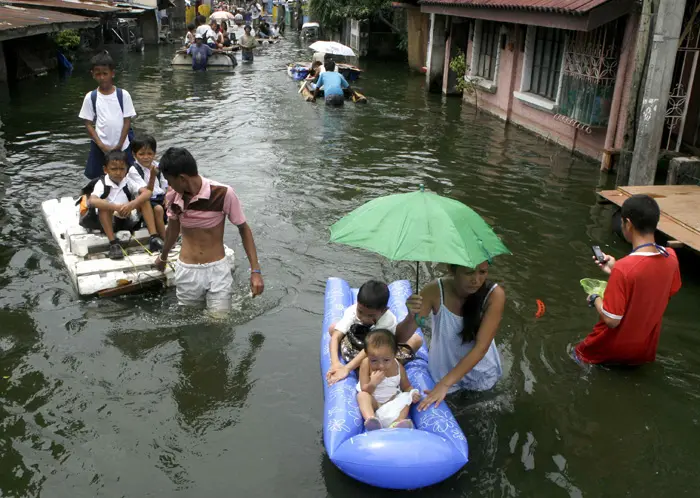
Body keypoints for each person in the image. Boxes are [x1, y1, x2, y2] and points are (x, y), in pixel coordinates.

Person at [574, 195, 682, 365]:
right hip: (643, 351)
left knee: (574, 359)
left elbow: (612, 321)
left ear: (628, 224)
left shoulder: (624, 269)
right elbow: (658, 288)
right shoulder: (671, 258)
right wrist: (615, 269)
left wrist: (595, 298)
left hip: (606, 350)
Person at [154, 147, 264, 311]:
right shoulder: (173, 196)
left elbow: (244, 229)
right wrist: (163, 258)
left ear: (182, 178)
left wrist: (255, 271)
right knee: (190, 320)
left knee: (219, 323)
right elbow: (173, 230)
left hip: (217, 271)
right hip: (187, 271)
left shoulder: (223, 193)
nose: (168, 185)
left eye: (170, 181)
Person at [397, 262, 505, 410]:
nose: (476, 280)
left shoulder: (494, 295)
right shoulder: (434, 291)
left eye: (482, 272)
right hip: (443, 369)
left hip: (480, 373)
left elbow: (481, 347)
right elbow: (400, 339)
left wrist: (445, 384)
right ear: (451, 269)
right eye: (469, 272)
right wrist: (410, 317)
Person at [326, 280, 423, 385]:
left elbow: (370, 349)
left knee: (416, 340)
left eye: (370, 316)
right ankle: (360, 368)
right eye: (360, 312)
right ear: (357, 304)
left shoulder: (387, 321)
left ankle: (363, 369)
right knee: (333, 328)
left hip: (374, 355)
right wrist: (335, 363)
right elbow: (336, 336)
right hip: (354, 347)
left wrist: (347, 368)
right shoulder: (352, 311)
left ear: (384, 310)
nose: (363, 318)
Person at [81, 150, 164, 260]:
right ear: (106, 170)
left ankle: (153, 237)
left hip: (127, 217)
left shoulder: (128, 181)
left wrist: (132, 204)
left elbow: (148, 192)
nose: (118, 172)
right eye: (114, 169)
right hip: (110, 222)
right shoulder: (102, 183)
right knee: (104, 206)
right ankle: (113, 243)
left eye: (121, 169)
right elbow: (92, 200)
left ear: (126, 169)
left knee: (143, 200)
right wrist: (115, 207)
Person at [79, 51, 137, 179]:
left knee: (127, 177)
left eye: (105, 73)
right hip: (100, 146)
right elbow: (88, 124)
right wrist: (100, 145)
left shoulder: (123, 95)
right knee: (98, 179)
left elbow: (127, 121)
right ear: (92, 74)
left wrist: (119, 145)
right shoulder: (91, 97)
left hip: (122, 146)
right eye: (98, 74)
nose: (102, 77)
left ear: (112, 73)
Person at [357, 329, 421, 430]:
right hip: (374, 402)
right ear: (367, 354)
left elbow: (406, 386)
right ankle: (371, 420)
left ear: (394, 354)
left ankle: (397, 423)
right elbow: (364, 389)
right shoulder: (366, 364)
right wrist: (373, 383)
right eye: (374, 360)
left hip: (391, 401)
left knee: (406, 397)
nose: (381, 365)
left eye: (386, 360)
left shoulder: (398, 366)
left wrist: (413, 393)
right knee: (362, 396)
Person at [127, 134, 167, 241]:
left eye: (150, 153)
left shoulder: (158, 166)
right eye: (141, 154)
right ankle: (160, 238)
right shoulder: (133, 170)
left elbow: (166, 185)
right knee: (157, 208)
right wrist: (153, 176)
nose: (146, 157)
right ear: (134, 154)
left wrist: (168, 197)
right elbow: (147, 192)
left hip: (160, 198)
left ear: (155, 153)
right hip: (145, 201)